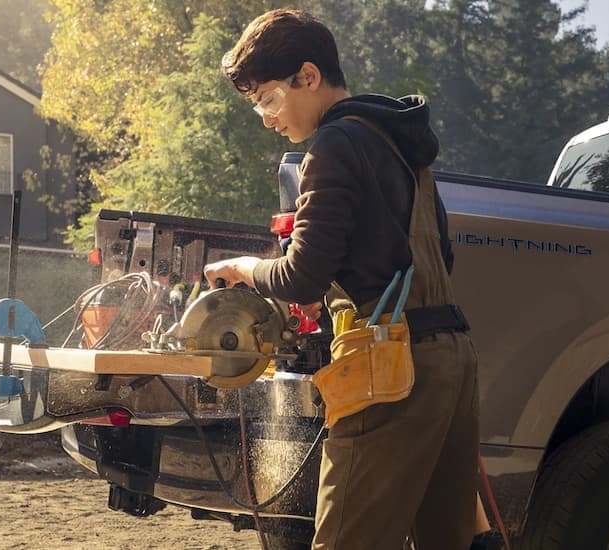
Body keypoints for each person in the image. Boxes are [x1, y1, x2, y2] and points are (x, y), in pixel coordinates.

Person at [204, 9, 481, 550]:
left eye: (268, 99)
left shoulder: (331, 147)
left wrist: (243, 271)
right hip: (455, 358)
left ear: (308, 77)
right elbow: (437, 258)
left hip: (392, 369)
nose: (266, 118)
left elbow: (302, 277)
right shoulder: (403, 145)